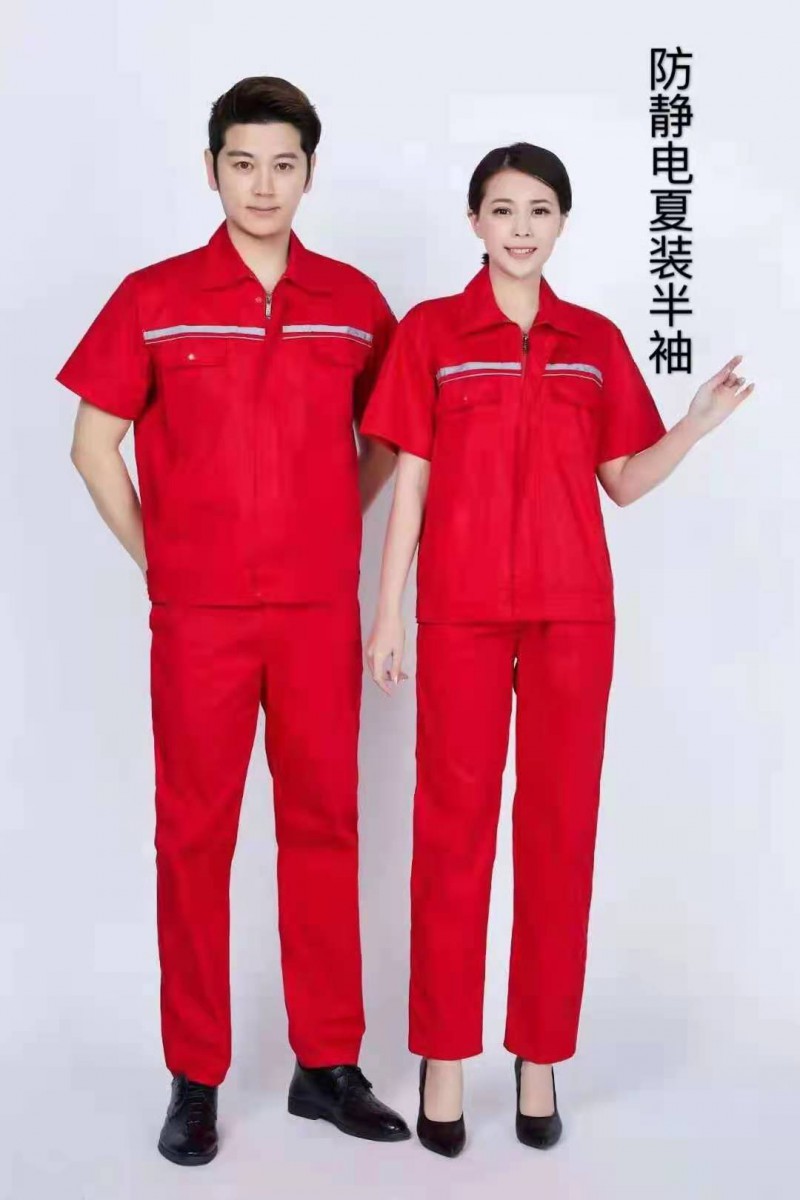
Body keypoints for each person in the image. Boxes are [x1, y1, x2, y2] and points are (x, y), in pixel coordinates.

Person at [360, 141, 754, 1157]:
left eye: (539, 209)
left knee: (559, 834)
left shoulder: (592, 341)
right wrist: (388, 610)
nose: (521, 227)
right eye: (502, 209)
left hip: (573, 615)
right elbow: (410, 480)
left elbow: (621, 481)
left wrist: (693, 427)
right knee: (451, 836)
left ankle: (538, 1056)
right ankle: (443, 1057)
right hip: (459, 612)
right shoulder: (433, 333)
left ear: (562, 222)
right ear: (474, 223)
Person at [56, 75, 411, 1166]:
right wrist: (163, 561)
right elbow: (92, 445)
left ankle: (327, 1064)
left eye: (283, 164)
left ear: (310, 172)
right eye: (243, 163)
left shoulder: (351, 301)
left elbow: (389, 438)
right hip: (199, 619)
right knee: (193, 838)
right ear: (211, 169)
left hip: (314, 612)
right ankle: (195, 1075)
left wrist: (330, 523)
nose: (263, 185)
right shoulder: (154, 295)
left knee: (325, 827)